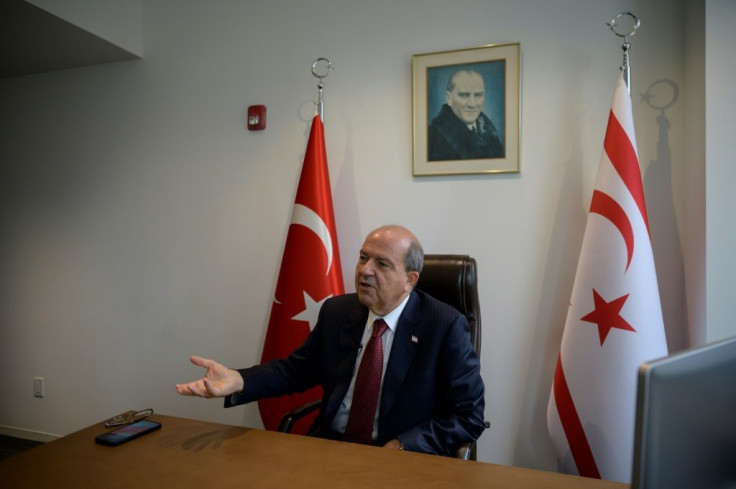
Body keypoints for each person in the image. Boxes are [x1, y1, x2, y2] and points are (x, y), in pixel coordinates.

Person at [176, 225, 486, 456]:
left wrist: (404, 445)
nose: (365, 270)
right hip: (330, 449)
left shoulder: (444, 325)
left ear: (410, 279)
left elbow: (468, 417)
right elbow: (294, 371)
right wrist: (239, 379)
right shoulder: (338, 311)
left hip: (398, 458)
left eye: (382, 264)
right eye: (363, 258)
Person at [428, 69, 504, 161]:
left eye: (478, 95)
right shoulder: (431, 137)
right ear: (449, 98)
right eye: (464, 95)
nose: (472, 104)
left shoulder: (490, 134)